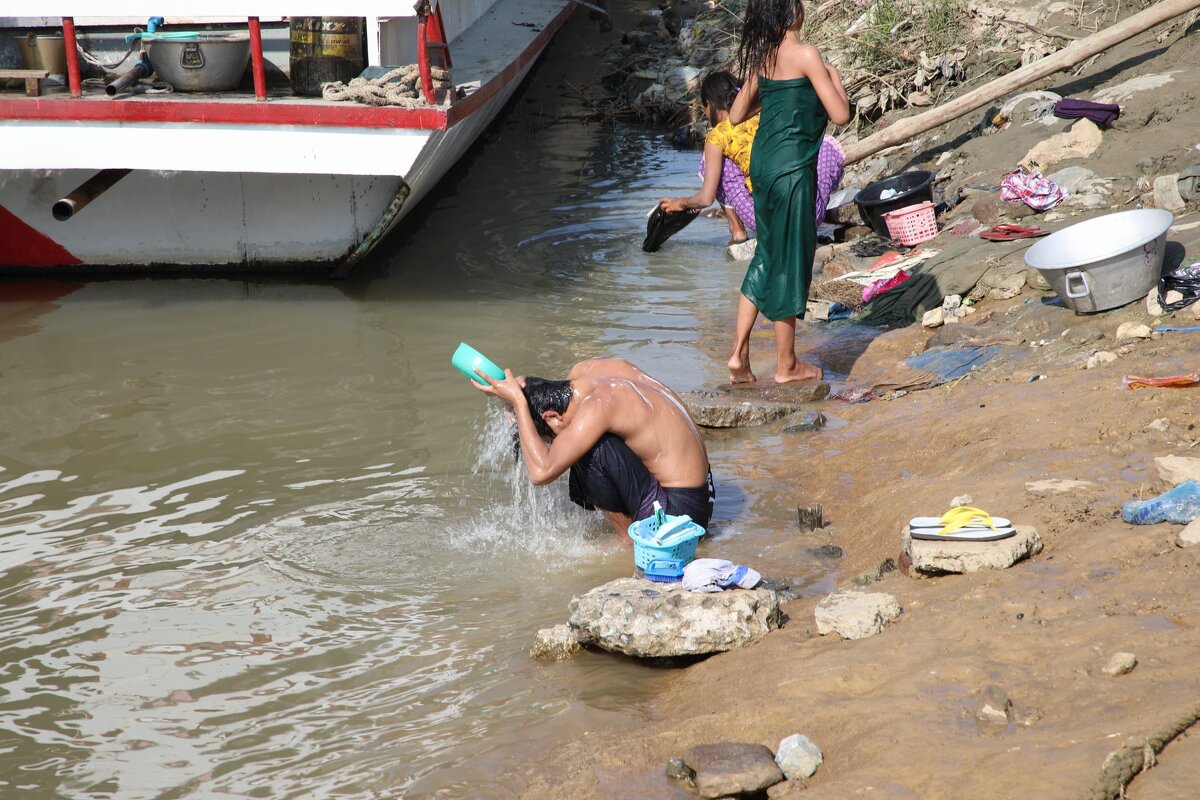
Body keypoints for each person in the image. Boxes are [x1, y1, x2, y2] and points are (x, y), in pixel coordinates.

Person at [726, 0, 850, 385]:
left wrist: (774, 95)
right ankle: (787, 365)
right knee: (791, 262)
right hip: (792, 169)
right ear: (792, 14)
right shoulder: (808, 54)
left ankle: (738, 356)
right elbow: (841, 115)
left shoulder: (765, 58)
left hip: (763, 166)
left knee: (766, 253)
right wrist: (832, 77)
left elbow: (734, 115)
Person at [474, 358, 715, 534]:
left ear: (552, 417)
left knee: (586, 446)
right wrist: (522, 389)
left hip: (682, 517)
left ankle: (627, 540)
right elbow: (533, 388)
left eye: (548, 437)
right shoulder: (587, 372)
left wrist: (519, 401)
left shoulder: (599, 406)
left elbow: (541, 472)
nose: (551, 441)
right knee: (579, 438)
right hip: (704, 493)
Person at [660, 70, 845, 259]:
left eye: (705, 108)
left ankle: (737, 232)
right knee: (825, 144)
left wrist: (680, 203)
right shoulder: (766, 111)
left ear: (710, 104)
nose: (706, 114)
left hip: (770, 224)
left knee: (715, 162)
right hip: (810, 214)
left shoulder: (717, 136)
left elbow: (706, 199)